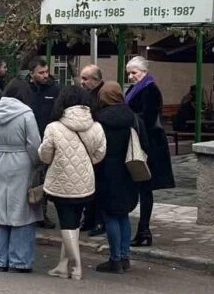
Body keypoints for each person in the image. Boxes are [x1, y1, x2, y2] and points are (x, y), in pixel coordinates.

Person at [38, 86, 106, 280]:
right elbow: (100, 153)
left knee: (66, 224)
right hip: (85, 182)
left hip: (60, 181)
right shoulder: (96, 126)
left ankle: (76, 266)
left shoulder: (54, 127)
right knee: (74, 224)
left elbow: (45, 155)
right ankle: (62, 264)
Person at [0, 79, 42, 273]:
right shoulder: (26, 114)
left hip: (1, 159)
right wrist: (36, 163)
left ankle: (2, 259)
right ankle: (20, 259)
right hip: (22, 161)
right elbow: (34, 143)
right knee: (23, 210)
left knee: (3, 208)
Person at [94, 82, 149, 273]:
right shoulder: (133, 118)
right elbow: (145, 145)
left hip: (106, 171)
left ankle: (114, 259)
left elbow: (95, 147)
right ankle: (125, 257)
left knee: (110, 215)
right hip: (128, 170)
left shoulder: (99, 120)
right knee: (123, 214)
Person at [124, 56, 175, 247]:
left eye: (134, 73)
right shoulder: (137, 88)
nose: (130, 76)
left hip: (149, 145)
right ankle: (142, 230)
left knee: (146, 188)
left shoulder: (150, 89)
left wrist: (128, 118)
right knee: (142, 188)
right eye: (129, 73)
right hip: (140, 142)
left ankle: (144, 230)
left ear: (144, 72)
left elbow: (149, 116)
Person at [27, 57, 60, 229]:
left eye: (46, 71)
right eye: (41, 72)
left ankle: (42, 213)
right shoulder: (26, 89)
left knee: (44, 180)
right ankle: (29, 212)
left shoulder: (54, 89)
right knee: (30, 179)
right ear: (32, 73)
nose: (45, 75)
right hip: (29, 140)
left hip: (47, 139)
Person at [79, 64, 105, 237]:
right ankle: (88, 218)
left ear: (96, 80)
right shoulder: (88, 94)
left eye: (85, 79)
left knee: (99, 187)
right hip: (88, 148)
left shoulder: (102, 95)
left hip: (99, 148)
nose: (82, 82)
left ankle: (98, 220)